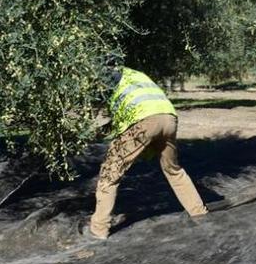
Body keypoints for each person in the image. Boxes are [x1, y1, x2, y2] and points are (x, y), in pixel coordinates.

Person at [88, 67, 208, 240]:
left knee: (110, 173)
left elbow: (127, 116)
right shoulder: (134, 74)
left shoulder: (106, 75)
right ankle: (200, 214)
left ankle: (98, 230)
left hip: (143, 120)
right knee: (173, 170)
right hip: (168, 117)